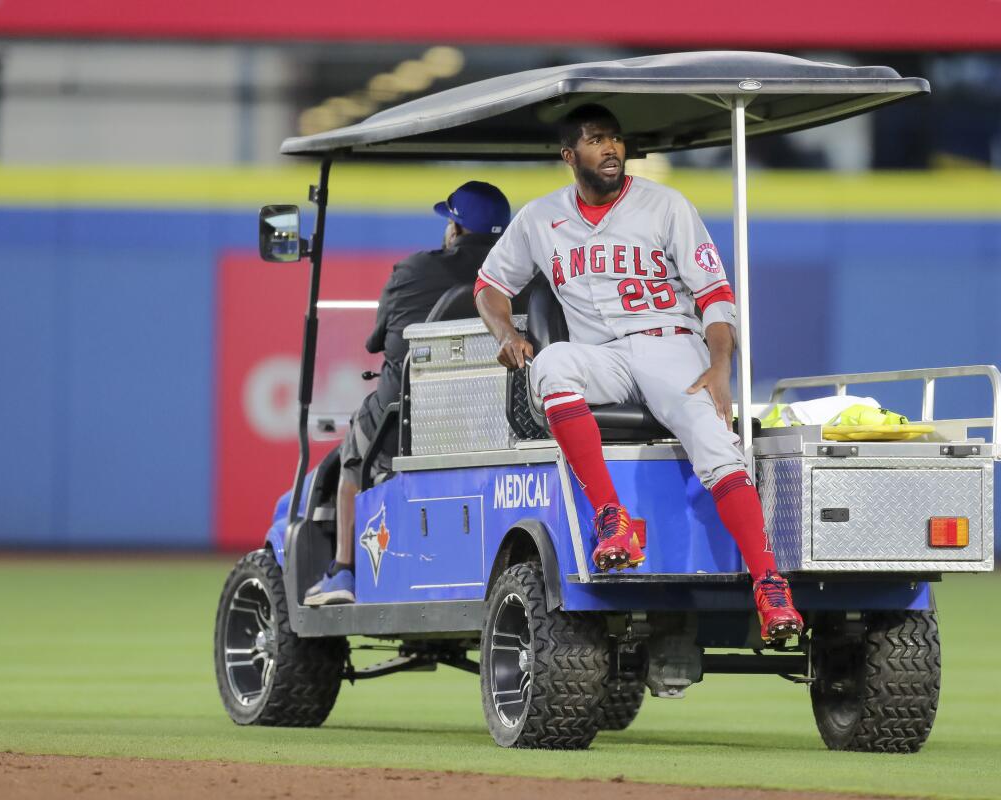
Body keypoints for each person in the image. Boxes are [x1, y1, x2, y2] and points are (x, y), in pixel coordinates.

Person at [473, 105, 803, 641]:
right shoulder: (539, 217)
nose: (611, 149)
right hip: (601, 354)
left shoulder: (665, 204)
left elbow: (716, 296)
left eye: (616, 139)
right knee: (552, 365)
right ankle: (611, 518)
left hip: (669, 344)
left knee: (716, 445)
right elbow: (488, 285)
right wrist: (506, 335)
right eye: (596, 140)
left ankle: (769, 584)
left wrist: (720, 364)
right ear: (569, 155)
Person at [305, 181, 512, 606]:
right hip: (497, 415)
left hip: (408, 417)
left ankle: (344, 570)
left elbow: (375, 343)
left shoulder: (412, 271)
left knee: (352, 452)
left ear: (454, 229)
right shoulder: (520, 276)